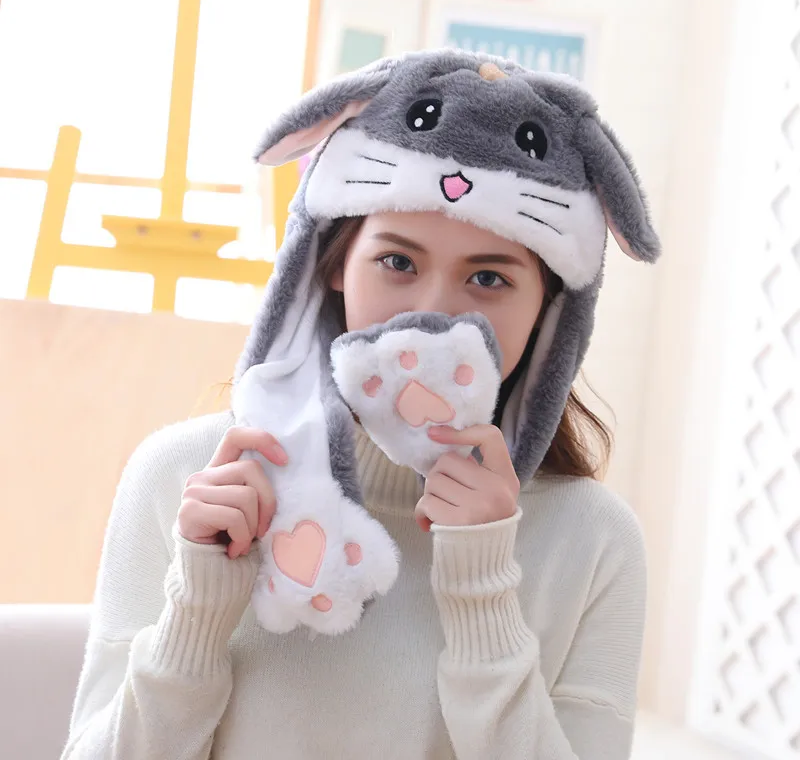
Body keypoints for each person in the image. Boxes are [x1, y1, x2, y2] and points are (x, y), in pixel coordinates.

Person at [61, 49, 660, 760]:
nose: (432, 313)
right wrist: (197, 611)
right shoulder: (183, 479)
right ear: (334, 265)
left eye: (490, 278)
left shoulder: (595, 541)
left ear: (548, 314)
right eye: (397, 262)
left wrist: (483, 592)